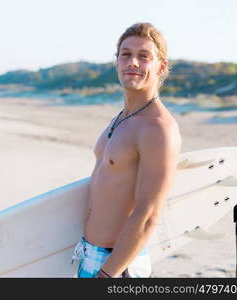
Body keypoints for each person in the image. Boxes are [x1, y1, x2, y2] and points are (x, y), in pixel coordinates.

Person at [72, 23, 182, 278]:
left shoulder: (157, 128)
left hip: (120, 266)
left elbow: (148, 214)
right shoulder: (122, 118)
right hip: (89, 254)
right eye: (125, 54)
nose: (132, 62)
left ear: (161, 67)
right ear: (117, 61)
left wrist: (107, 274)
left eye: (144, 56)